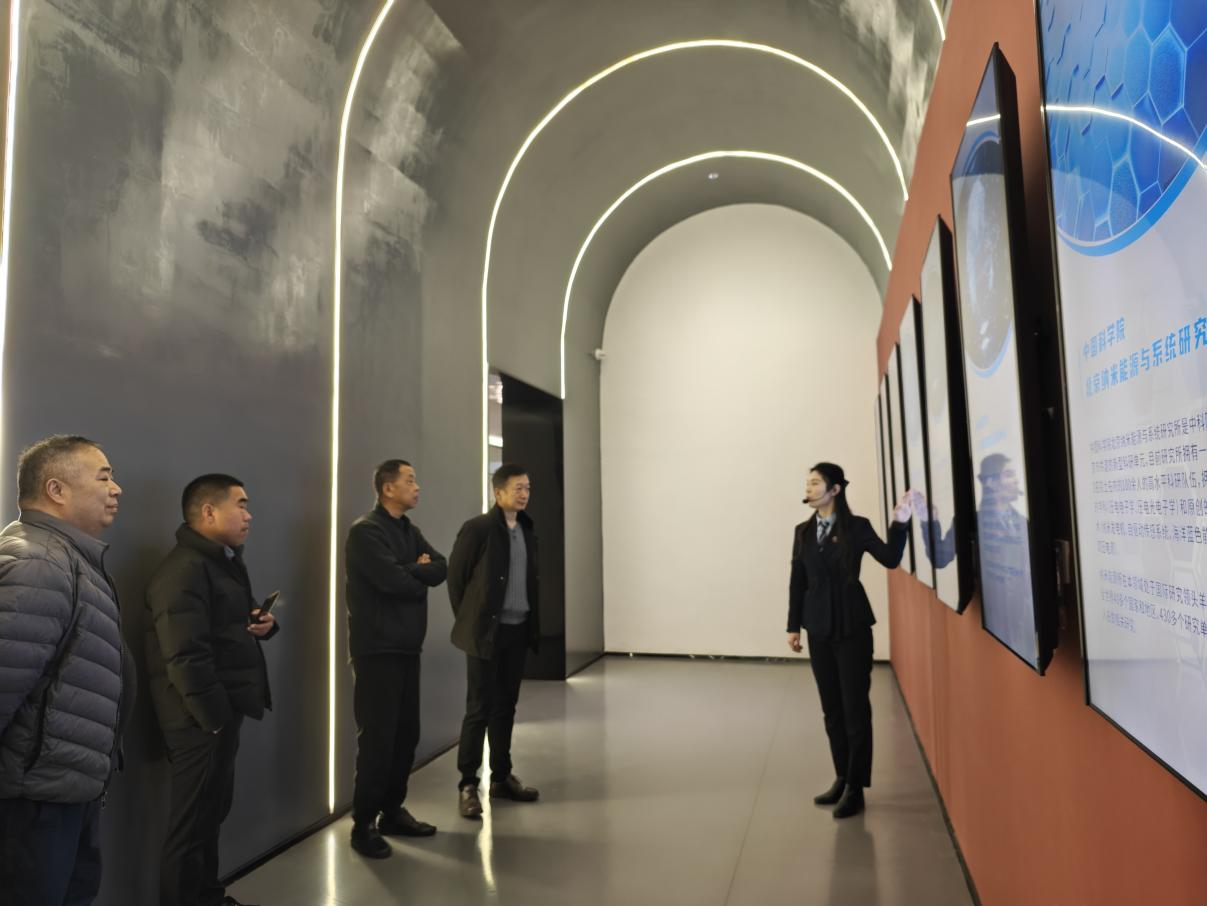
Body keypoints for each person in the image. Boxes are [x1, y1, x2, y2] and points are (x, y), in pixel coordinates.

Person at [0, 435, 132, 905]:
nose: (116, 488)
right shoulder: (39, 563)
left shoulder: (68, 560)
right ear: (56, 490)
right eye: (104, 477)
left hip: (63, 792)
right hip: (34, 804)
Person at [146, 475, 278, 906]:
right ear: (208, 511)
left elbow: (220, 628)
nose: (248, 515)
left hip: (216, 715)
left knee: (209, 817)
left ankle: (208, 896)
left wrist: (263, 623)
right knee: (190, 830)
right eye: (241, 504)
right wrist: (216, 720)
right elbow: (185, 656)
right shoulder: (183, 570)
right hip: (198, 720)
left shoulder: (220, 563)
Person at [786, 462, 910, 819]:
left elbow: (890, 558)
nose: (808, 489)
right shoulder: (802, 531)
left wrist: (900, 522)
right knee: (832, 709)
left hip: (852, 628)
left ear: (835, 489)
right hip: (818, 629)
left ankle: (856, 786)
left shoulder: (857, 527)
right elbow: (798, 580)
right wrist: (793, 626)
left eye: (815, 483)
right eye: (807, 483)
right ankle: (841, 776)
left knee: (855, 710)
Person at [345, 459, 447, 859]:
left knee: (406, 736)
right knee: (378, 740)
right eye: (410, 480)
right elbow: (393, 582)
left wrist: (414, 571)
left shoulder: (409, 530)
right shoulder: (366, 532)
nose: (417, 487)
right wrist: (414, 571)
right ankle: (363, 825)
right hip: (376, 650)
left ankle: (391, 811)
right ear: (388, 488)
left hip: (407, 648)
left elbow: (441, 567)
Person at [448, 463, 541, 819]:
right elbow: (456, 580)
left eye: (527, 488)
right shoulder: (479, 529)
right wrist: (471, 621)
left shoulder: (528, 530)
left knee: (506, 706)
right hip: (486, 634)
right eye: (518, 488)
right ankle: (467, 784)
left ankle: (501, 777)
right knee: (479, 708)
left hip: (518, 630)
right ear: (498, 492)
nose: (524, 494)